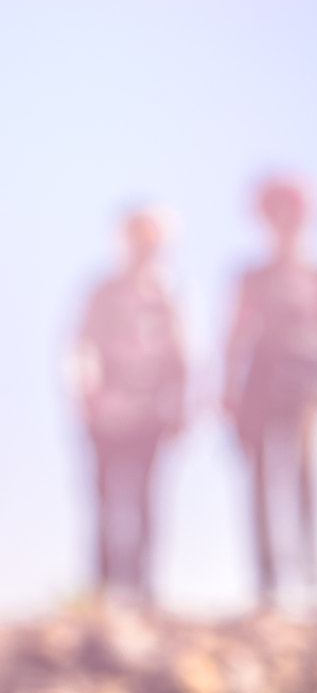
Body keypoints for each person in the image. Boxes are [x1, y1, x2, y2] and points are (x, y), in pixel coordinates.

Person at [221, 175, 317, 609]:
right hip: (261, 387)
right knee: (263, 480)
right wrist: (227, 390)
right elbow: (237, 335)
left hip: (308, 387)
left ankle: (312, 572)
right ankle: (268, 582)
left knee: (306, 477)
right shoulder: (252, 277)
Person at [72, 207, 188, 606]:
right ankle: (104, 587)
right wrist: (89, 399)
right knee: (105, 499)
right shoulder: (102, 293)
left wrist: (180, 407)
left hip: (151, 414)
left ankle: (143, 587)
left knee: (148, 500)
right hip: (106, 412)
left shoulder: (171, 296)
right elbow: (82, 348)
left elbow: (184, 355)